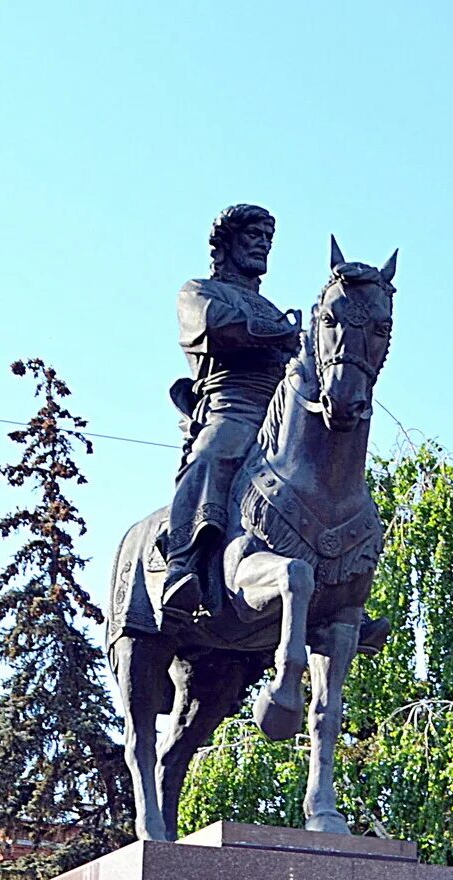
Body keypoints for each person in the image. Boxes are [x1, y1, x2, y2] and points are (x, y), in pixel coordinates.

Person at [161, 202, 300, 617]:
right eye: (253, 236)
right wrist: (280, 333)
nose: (263, 246)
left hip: (281, 416)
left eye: (268, 240)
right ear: (227, 243)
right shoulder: (199, 291)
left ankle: (339, 593)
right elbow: (218, 328)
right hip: (232, 406)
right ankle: (180, 566)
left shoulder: (274, 309)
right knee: (212, 453)